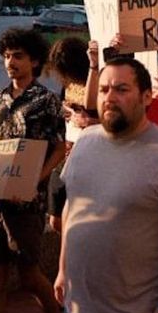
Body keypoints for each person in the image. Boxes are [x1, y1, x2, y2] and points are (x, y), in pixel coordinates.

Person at [55, 57, 158, 313]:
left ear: (146, 97)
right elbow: (72, 208)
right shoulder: (85, 141)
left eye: (121, 89)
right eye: (104, 89)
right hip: (77, 307)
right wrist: (62, 269)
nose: (110, 97)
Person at [0, 28, 65, 313]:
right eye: (7, 56)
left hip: (27, 202)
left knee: (28, 275)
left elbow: (59, 147)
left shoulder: (46, 100)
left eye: (18, 56)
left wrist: (34, 180)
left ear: (34, 60)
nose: (10, 62)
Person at [46, 36, 100, 234]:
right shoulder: (67, 85)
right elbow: (64, 107)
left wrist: (87, 119)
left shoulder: (95, 80)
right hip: (68, 151)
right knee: (56, 220)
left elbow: (95, 111)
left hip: (89, 154)